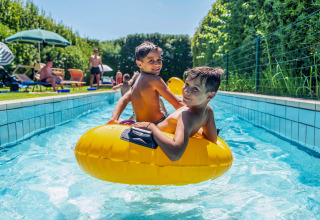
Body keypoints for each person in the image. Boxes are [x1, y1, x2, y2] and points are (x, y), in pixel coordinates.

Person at [132, 67, 223, 161]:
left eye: (195, 89)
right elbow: (212, 139)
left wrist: (150, 127)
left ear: (210, 95)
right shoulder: (208, 111)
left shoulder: (187, 116)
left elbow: (175, 154)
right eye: (187, 84)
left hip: (154, 130)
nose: (186, 90)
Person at [107, 41, 184, 124]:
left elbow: (123, 100)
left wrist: (114, 118)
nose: (157, 64)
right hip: (158, 124)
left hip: (140, 124)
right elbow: (177, 103)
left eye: (159, 59)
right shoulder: (155, 80)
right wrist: (195, 115)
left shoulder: (136, 83)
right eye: (151, 60)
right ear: (139, 64)